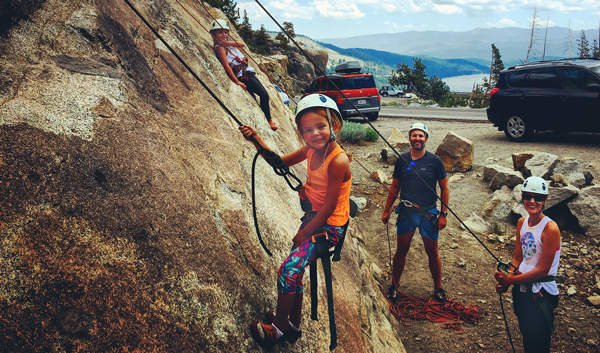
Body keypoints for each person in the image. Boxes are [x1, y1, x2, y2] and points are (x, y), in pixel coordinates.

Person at [239, 94, 352, 348]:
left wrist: (304, 234)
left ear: (334, 125)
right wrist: (256, 138)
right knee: (294, 272)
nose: (315, 134)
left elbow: (330, 208)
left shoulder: (338, 160)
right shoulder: (311, 150)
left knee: (288, 270)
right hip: (315, 219)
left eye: (321, 127)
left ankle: (278, 329)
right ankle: (292, 324)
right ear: (302, 133)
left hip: (328, 227)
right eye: (307, 130)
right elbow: (279, 162)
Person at [381, 122, 450, 302]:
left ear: (426, 139)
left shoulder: (435, 161)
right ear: (410, 138)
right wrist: (386, 210)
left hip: (428, 213)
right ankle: (394, 286)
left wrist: (443, 214)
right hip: (407, 212)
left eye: (421, 136)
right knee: (401, 249)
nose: (417, 139)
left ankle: (438, 288)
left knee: (432, 251)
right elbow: (395, 186)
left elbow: (444, 188)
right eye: (414, 135)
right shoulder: (401, 160)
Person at [494, 176, 561, 353]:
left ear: (545, 200)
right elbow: (518, 259)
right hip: (522, 289)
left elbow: (542, 270)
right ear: (522, 197)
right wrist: (505, 277)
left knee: (538, 340)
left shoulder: (550, 229)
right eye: (528, 196)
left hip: (541, 293)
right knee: (526, 333)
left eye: (538, 197)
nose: (532, 201)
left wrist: (510, 280)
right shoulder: (522, 223)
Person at [211, 19, 277, 131]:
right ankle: (269, 119)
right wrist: (237, 82)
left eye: (226, 32)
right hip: (244, 75)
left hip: (248, 72)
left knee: (260, 95)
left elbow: (241, 44)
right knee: (264, 95)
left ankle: (266, 116)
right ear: (213, 34)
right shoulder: (220, 48)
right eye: (220, 32)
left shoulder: (228, 45)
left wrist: (227, 42)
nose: (224, 34)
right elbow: (226, 66)